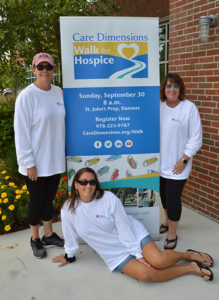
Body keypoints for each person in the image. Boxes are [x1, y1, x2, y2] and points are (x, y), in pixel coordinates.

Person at [52, 167, 214, 282]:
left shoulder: (108, 199)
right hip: (113, 253)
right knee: (146, 274)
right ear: (76, 185)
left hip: (132, 234)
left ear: (96, 184)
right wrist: (69, 256)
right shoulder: (68, 209)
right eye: (83, 182)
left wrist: (138, 254)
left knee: (158, 261)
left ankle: (188, 255)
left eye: (92, 182)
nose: (88, 186)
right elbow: (69, 235)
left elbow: (124, 227)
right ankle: (190, 268)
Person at [14, 53, 66, 258]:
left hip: (53, 159)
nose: (45, 70)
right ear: (33, 69)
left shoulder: (58, 92)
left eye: (49, 66)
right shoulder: (26, 96)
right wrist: (28, 162)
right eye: (40, 66)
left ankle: (49, 235)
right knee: (36, 201)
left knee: (48, 200)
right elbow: (22, 132)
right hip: (35, 162)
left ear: (53, 70)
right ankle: (35, 238)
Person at [160, 73, 202, 249]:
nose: (172, 89)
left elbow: (196, 138)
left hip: (179, 164)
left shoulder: (189, 108)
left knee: (172, 197)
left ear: (180, 89)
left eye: (175, 86)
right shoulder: (158, 106)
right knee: (163, 195)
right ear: (164, 89)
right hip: (159, 163)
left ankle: (172, 234)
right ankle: (167, 221)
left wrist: (184, 160)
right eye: (168, 86)